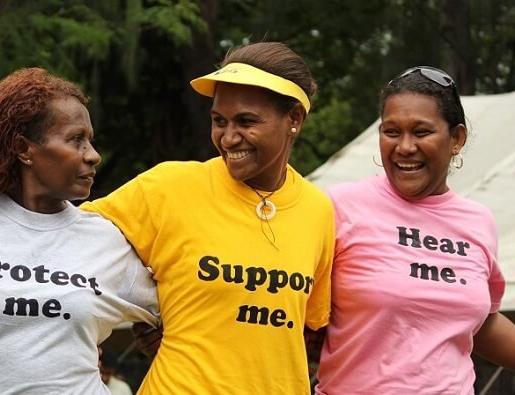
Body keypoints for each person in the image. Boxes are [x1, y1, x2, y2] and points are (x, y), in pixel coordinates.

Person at [82, 42, 334, 393]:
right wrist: (145, 306)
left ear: (293, 119)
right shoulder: (169, 186)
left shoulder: (318, 210)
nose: (229, 138)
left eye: (247, 121)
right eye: (219, 121)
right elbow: (67, 241)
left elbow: (308, 326)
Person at [0, 67, 159, 394]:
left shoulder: (107, 240)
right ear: (24, 149)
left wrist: (160, 339)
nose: (94, 155)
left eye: (90, 140)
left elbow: (188, 312)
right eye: (76, 139)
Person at [314, 66, 515, 394]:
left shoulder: (478, 221)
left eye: (421, 132)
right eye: (391, 132)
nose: (405, 147)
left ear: (457, 139)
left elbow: (479, 323)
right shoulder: (338, 207)